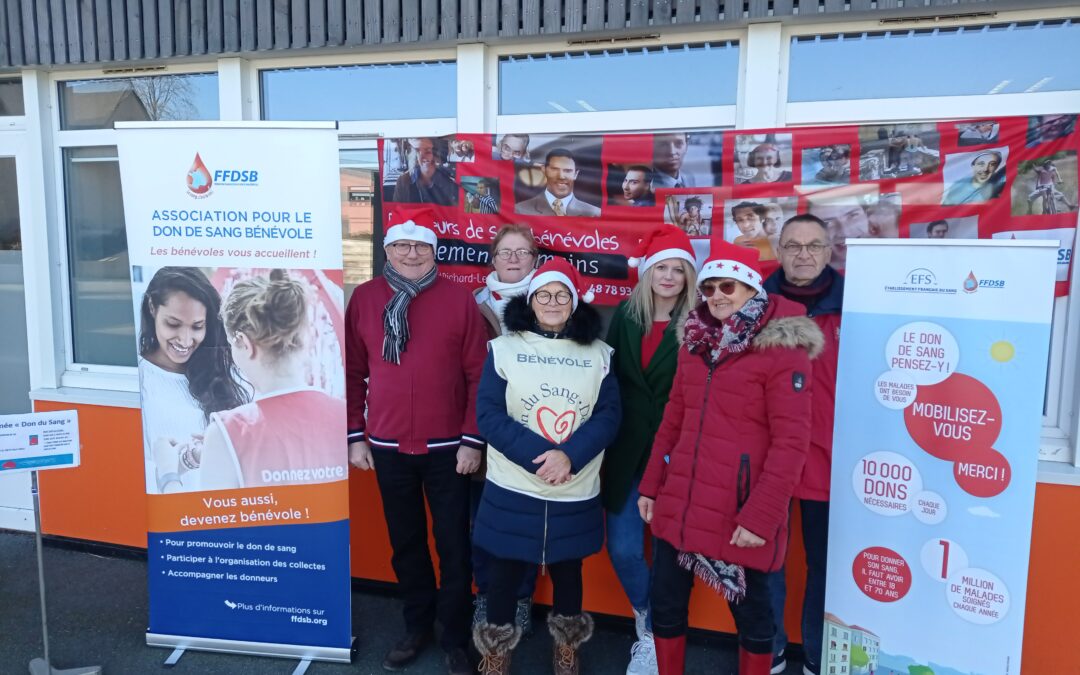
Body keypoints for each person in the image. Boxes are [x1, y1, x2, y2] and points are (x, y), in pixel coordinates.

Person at [638, 241, 821, 675]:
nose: (717, 296)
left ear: (752, 290)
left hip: (739, 509)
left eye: (728, 287)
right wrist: (649, 485)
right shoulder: (695, 342)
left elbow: (791, 442)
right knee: (665, 604)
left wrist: (761, 516)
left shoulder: (782, 349)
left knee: (754, 619)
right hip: (680, 500)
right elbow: (673, 418)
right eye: (709, 289)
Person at [345, 208, 488, 675]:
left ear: (434, 251)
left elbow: (477, 375)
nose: (411, 253)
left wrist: (472, 441)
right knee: (405, 543)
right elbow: (352, 373)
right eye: (402, 246)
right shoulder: (365, 298)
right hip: (386, 446)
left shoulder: (459, 300)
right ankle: (416, 625)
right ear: (387, 250)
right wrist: (354, 436)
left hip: (449, 447)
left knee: (453, 546)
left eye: (421, 246)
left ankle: (454, 636)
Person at [472, 258, 621, 675]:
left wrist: (568, 456)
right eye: (543, 295)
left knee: (568, 569)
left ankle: (566, 649)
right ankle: (496, 652)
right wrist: (542, 458)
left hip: (572, 483)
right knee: (503, 569)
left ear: (573, 303)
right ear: (531, 300)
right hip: (514, 483)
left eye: (561, 295)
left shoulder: (599, 354)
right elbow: (488, 414)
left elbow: (609, 416)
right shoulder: (503, 347)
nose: (552, 303)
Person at [605, 226, 699, 675]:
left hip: (675, 452)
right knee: (623, 548)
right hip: (625, 451)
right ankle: (648, 620)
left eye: (677, 269)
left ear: (688, 276)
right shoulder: (626, 314)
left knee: (666, 553)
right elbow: (612, 378)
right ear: (647, 273)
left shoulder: (700, 322)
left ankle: (660, 637)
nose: (668, 276)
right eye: (661, 267)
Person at [763, 215, 844, 675]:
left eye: (814, 246)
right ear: (780, 251)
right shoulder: (756, 303)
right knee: (766, 559)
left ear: (829, 251)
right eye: (793, 246)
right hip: (769, 454)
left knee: (824, 565)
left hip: (829, 455)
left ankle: (817, 657)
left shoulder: (857, 301)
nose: (804, 255)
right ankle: (768, 650)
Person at [198, 270, 348, 490]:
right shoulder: (344, 416)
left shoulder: (227, 431)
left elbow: (214, 521)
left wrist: (169, 472)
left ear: (244, 343)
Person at [471, 224, 541, 633]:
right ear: (493, 259)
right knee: (482, 521)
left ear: (535, 260)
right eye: (505, 251)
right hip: (483, 431)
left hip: (533, 432)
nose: (513, 259)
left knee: (526, 521)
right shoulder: (474, 304)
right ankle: (486, 597)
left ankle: (520, 599)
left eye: (522, 252)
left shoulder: (553, 302)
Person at [139, 267, 249, 494]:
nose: (186, 339)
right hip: (173, 519)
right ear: (152, 308)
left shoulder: (230, 373)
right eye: (173, 324)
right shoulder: (139, 381)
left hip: (231, 516)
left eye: (197, 327)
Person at [515, 149, 601, 217]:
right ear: (544, 170)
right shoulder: (520, 210)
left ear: (575, 174)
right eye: (555, 169)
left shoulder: (594, 213)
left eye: (567, 171)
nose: (561, 176)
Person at [392, 137, 459, 206]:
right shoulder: (403, 181)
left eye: (427, 151)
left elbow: (458, 211)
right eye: (417, 151)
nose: (421, 157)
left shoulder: (449, 180)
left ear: (436, 154)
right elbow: (397, 212)